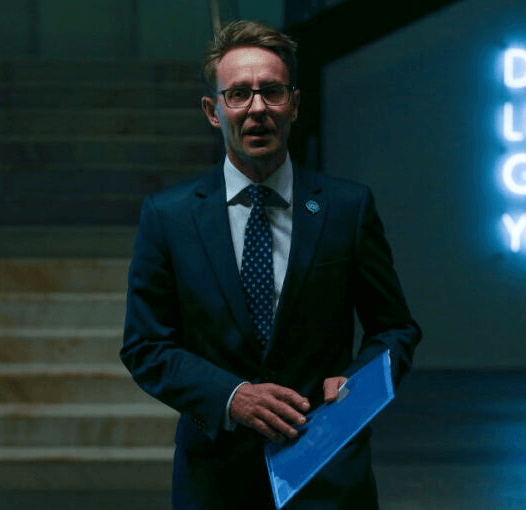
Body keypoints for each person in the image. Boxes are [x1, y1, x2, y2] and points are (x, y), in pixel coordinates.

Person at [121, 19, 421, 510]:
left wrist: (359, 384)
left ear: (295, 105)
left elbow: (395, 329)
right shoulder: (168, 216)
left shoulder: (348, 208)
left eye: (272, 92)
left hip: (327, 470)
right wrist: (232, 395)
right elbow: (145, 346)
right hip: (215, 480)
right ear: (213, 111)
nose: (257, 108)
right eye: (238, 93)